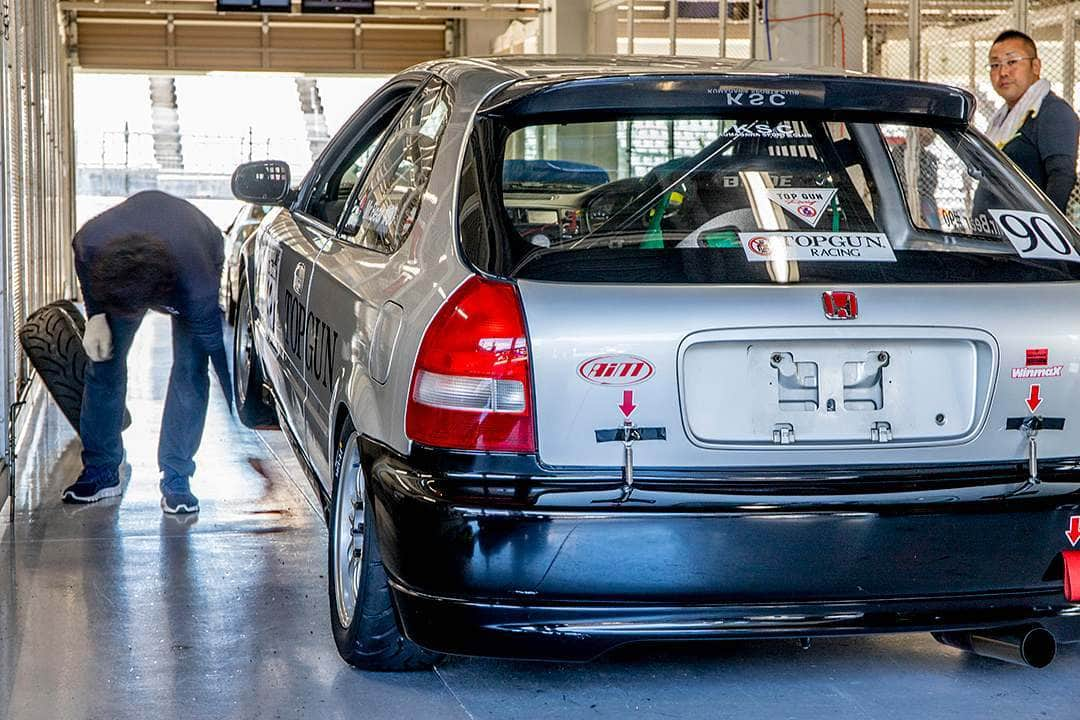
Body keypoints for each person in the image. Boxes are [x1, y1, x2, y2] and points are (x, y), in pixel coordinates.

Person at [61, 190, 232, 514]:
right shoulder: (94, 241)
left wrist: (241, 404)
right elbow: (82, 252)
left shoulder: (196, 280)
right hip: (130, 259)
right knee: (104, 360)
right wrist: (97, 313)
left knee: (191, 369)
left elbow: (214, 347)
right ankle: (101, 470)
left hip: (194, 251)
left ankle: (177, 476)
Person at [986, 29, 1079, 211]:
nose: (1003, 72)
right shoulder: (1001, 119)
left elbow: (1061, 176)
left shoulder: (1053, 111)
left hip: (1026, 235)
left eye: (1012, 62)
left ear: (1035, 66)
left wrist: (1044, 232)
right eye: (995, 65)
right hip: (994, 233)